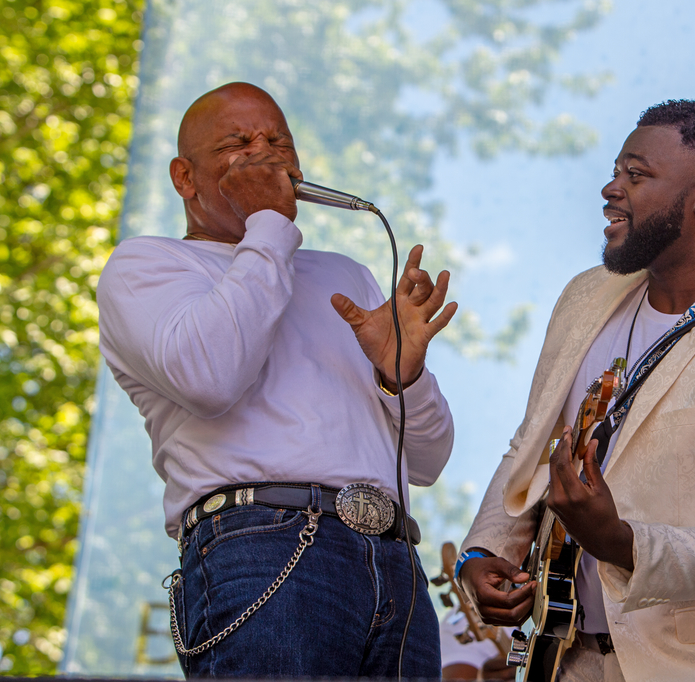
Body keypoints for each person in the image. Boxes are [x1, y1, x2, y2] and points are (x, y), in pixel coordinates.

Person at [457, 100, 695, 681]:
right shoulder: (587, 297)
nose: (611, 189)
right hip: (564, 658)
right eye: (616, 171)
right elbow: (532, 445)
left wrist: (620, 541)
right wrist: (484, 552)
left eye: (636, 175)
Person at [97, 82, 457, 678]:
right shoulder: (146, 263)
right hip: (263, 544)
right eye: (238, 144)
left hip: (395, 561)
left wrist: (403, 377)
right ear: (185, 178)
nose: (264, 154)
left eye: (279, 142)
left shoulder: (343, 274)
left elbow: (426, 460)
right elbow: (209, 378)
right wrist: (268, 223)